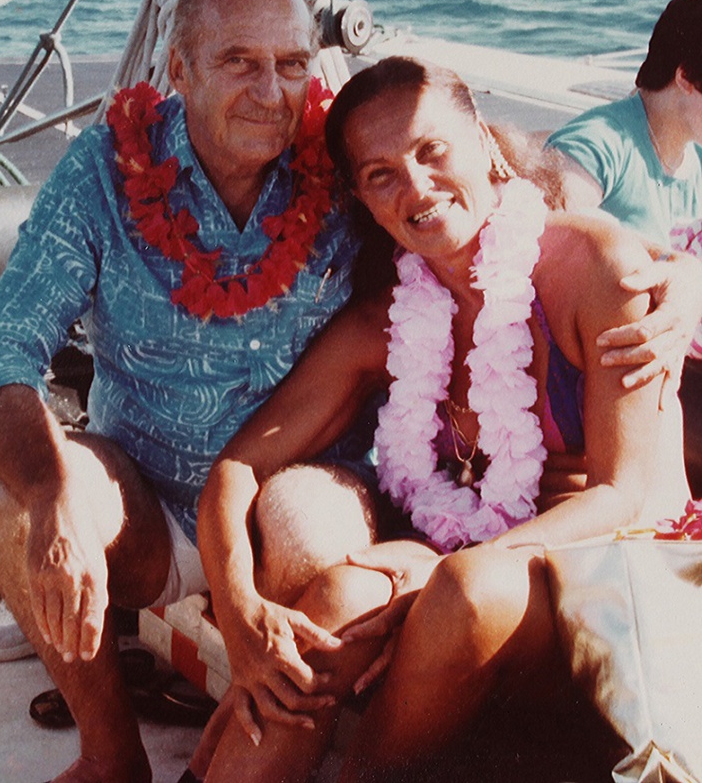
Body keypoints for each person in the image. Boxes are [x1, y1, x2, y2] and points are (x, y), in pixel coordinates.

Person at [191, 56, 695, 783]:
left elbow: (621, 495)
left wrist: (443, 584)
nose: (416, 188)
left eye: (432, 152)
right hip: (478, 563)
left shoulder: (593, 265)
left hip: (617, 579)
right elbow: (238, 469)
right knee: (339, 599)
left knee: (462, 591)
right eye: (381, 175)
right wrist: (240, 617)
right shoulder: (386, 323)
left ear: (486, 146)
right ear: (363, 201)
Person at [0, 0, 367, 783]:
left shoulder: (347, 165)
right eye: (238, 61)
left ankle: (251, 742)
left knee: (300, 531)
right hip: (154, 503)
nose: (270, 90)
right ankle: (112, 757)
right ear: (178, 69)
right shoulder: (103, 172)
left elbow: (479, 190)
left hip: (292, 488)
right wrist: (55, 488)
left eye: (290, 64)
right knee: (17, 504)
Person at [547, 0, 702, 493]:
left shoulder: (693, 156)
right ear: (685, 77)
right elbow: (554, 235)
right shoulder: (597, 145)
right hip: (612, 374)